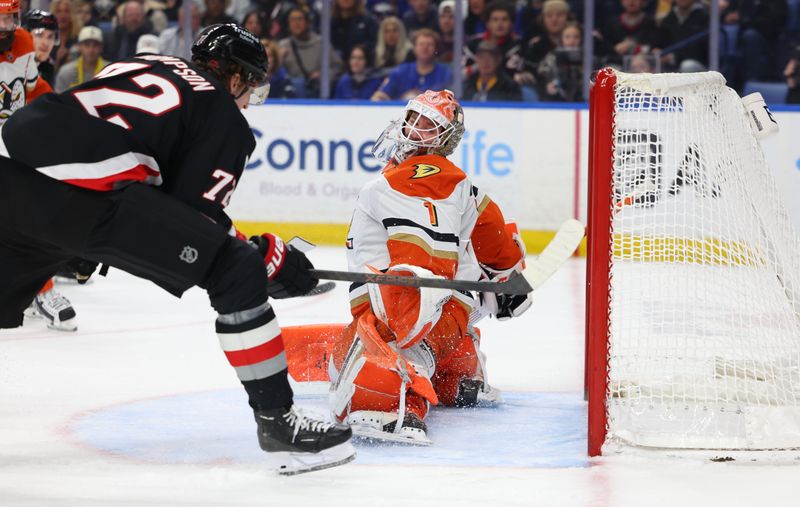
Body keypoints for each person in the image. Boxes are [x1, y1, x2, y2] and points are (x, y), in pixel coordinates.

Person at [0, 23, 355, 475]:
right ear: (234, 78)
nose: (249, 102)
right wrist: (270, 259)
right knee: (236, 269)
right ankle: (280, 424)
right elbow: (195, 219)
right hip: (82, 198)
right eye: (251, 90)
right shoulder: (222, 113)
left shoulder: (144, 63)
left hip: (9, 170)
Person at [328, 89, 532, 444]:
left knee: (366, 372)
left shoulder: (402, 182)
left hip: (414, 315)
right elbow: (498, 242)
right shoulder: (462, 185)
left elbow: (418, 271)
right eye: (412, 118)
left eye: (426, 124)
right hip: (454, 313)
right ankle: (459, 370)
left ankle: (401, 401)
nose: (412, 128)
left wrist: (408, 317)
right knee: (339, 360)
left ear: (442, 138)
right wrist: (509, 279)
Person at [371, 28, 451, 100]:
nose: (425, 48)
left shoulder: (445, 74)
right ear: (414, 48)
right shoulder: (401, 72)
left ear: (436, 48)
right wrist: (378, 98)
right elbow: (381, 94)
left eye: (429, 44)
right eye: (421, 44)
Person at [54, 25, 106, 92]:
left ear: (101, 48)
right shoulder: (66, 72)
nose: (91, 50)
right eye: (87, 45)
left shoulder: (112, 72)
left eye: (95, 45)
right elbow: (58, 100)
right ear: (79, 46)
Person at [23, 8, 58, 86]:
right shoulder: (6, 65)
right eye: (39, 35)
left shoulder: (47, 68)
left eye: (50, 37)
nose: (46, 43)